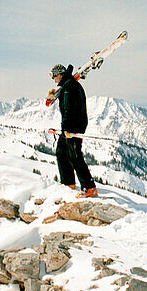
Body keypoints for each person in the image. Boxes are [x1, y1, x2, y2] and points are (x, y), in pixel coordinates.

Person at [50, 63, 97, 198]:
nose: (53, 79)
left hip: (73, 126)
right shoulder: (68, 85)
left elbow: (69, 108)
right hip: (70, 125)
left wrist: (67, 127)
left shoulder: (69, 86)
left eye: (54, 76)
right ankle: (68, 182)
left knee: (74, 155)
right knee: (61, 152)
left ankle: (89, 187)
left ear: (59, 74)